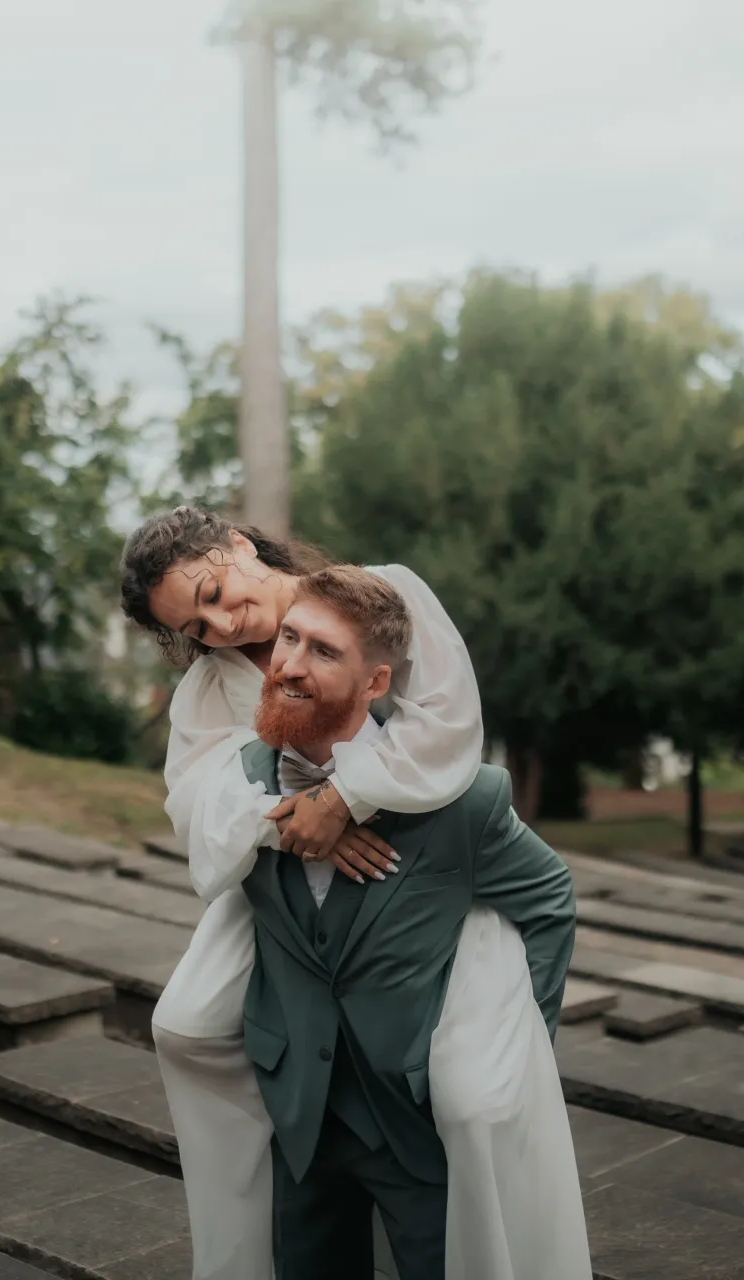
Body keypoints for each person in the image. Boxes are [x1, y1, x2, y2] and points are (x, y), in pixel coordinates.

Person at [120, 508, 589, 1279]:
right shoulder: (212, 684)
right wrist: (297, 823)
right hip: (274, 867)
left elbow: (446, 717)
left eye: (212, 590)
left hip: (416, 856)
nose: (218, 623)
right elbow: (196, 800)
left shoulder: (380, 595)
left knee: (468, 1087)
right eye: (195, 625)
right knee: (186, 1025)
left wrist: (346, 801)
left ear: (238, 545)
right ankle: (258, 1214)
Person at [236, 566, 577, 1278]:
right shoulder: (236, 783)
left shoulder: (464, 802)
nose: (290, 665)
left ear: (377, 683)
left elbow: (550, 900)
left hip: (413, 1122)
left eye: (323, 651)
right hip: (296, 1112)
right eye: (288, 638)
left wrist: (518, 1057)